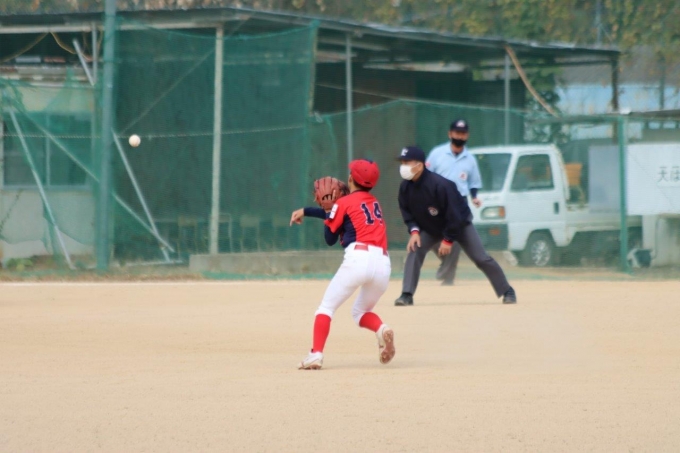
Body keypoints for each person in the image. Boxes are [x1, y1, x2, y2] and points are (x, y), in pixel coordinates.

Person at [289, 159, 395, 370]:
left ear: (350, 179)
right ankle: (382, 329)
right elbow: (343, 214)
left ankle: (316, 354)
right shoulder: (374, 202)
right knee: (360, 312)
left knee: (326, 308)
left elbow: (330, 238)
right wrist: (309, 211)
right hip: (383, 263)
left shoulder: (342, 204)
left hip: (358, 259)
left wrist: (328, 207)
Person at [394, 146, 517, 306]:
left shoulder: (440, 185)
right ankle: (406, 295)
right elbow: (407, 213)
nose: (403, 166)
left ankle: (507, 290)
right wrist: (414, 231)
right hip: (431, 227)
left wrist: (448, 240)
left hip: (459, 225)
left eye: (407, 162)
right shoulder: (405, 188)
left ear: (419, 165)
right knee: (414, 249)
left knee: (480, 258)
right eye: (402, 162)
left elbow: (455, 216)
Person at [426, 119, 482, 286]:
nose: (460, 136)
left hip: (459, 203)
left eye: (463, 133)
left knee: (454, 240)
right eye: (457, 133)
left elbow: (473, 182)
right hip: (437, 201)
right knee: (429, 235)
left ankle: (448, 277)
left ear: (467, 136)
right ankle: (447, 266)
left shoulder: (470, 159)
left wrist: (474, 197)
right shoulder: (437, 153)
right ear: (450, 134)